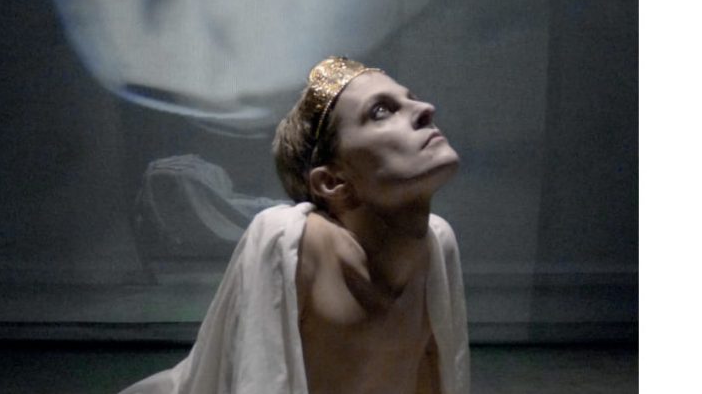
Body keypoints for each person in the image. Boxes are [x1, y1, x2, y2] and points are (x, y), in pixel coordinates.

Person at [120, 56, 469, 394]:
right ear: (333, 181)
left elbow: (437, 376)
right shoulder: (291, 241)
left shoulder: (437, 244)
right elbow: (255, 380)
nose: (425, 109)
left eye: (410, 98)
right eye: (380, 111)